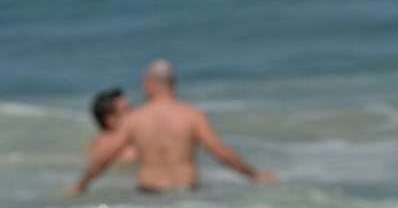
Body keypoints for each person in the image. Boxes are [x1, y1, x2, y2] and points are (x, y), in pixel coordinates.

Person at [66, 59, 275, 195]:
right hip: (187, 194)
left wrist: (81, 184)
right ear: (173, 84)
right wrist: (253, 175)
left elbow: (105, 157)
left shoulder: (135, 119)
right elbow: (220, 151)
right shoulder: (192, 115)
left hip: (148, 194)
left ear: (148, 84)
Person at [85, 88, 138, 166]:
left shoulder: (93, 144)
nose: (134, 112)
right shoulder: (127, 151)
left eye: (131, 107)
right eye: (126, 109)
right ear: (110, 120)